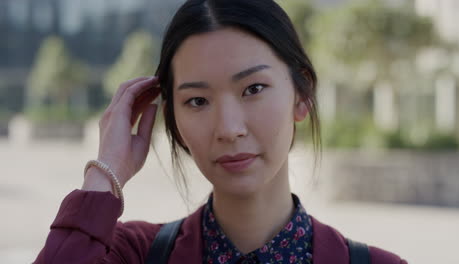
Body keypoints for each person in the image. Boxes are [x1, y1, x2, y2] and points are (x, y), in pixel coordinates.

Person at [34, 0, 407, 263]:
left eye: (253, 89)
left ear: (301, 95)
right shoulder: (133, 254)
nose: (228, 129)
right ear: (173, 117)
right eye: (197, 100)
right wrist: (105, 171)